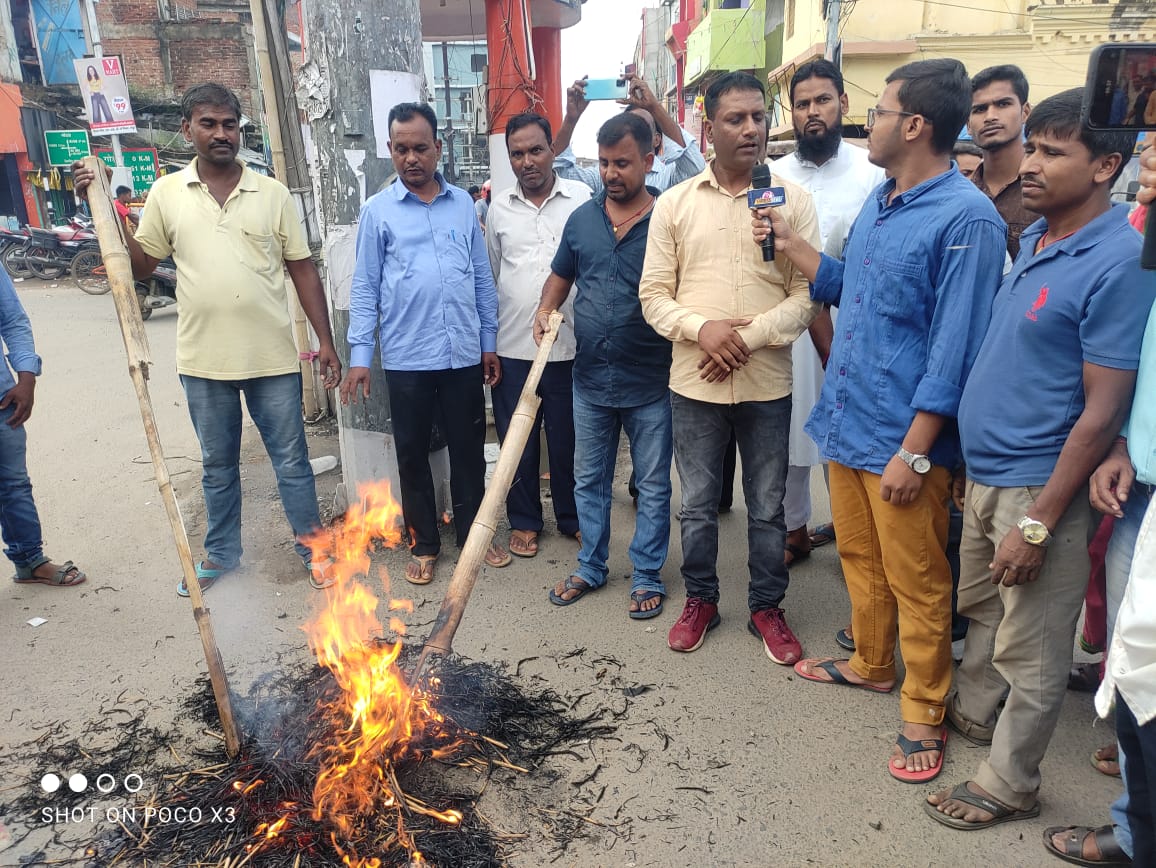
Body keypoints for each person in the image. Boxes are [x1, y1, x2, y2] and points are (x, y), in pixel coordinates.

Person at [759, 58, 1006, 782]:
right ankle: (871, 663)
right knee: (860, 562)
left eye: (883, 110)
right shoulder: (883, 200)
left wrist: (919, 452)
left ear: (917, 124)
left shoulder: (967, 220)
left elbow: (955, 350)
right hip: (848, 424)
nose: (872, 122)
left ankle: (924, 707)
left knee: (920, 578)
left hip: (904, 440)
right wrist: (789, 240)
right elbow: (845, 285)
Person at [926, 88, 1152, 831]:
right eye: (1035, 146)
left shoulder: (1120, 258)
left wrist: (1040, 523)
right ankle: (979, 717)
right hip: (990, 474)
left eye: (1056, 152)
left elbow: (1100, 411)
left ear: (1106, 166)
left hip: (1037, 485)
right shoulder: (1042, 238)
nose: (1031, 163)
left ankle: (1010, 780)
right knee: (987, 609)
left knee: (1036, 646)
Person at [73, 82, 343, 596]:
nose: (221, 133)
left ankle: (315, 549)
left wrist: (325, 341)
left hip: (272, 360)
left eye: (229, 124)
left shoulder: (272, 193)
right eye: (209, 123)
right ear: (187, 128)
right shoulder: (168, 194)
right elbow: (142, 264)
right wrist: (105, 206)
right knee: (218, 467)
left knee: (292, 462)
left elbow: (303, 270)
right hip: (202, 362)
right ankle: (222, 556)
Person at [639, 71, 819, 660]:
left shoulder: (792, 200)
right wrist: (704, 331)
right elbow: (654, 296)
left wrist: (751, 336)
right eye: (736, 119)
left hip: (767, 382)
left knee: (767, 507)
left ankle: (767, 607)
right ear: (708, 127)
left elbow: (805, 294)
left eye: (758, 117)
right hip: (695, 383)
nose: (750, 129)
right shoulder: (674, 204)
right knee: (696, 504)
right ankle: (702, 600)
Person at [341, 101, 508, 585]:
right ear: (390, 151)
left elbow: (480, 278)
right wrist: (359, 358)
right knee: (412, 452)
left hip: (460, 354)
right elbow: (366, 287)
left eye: (420, 148)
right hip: (407, 356)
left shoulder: (463, 204)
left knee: (469, 451)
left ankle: (475, 537)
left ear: (438, 147)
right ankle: (425, 543)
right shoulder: (377, 212)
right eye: (401, 149)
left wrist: (488, 342)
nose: (410, 158)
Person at [536, 112, 672, 619]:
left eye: (623, 163)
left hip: (653, 380)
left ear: (648, 159)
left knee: (654, 485)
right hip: (589, 378)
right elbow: (560, 276)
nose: (612, 173)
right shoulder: (583, 219)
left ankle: (647, 574)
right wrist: (545, 309)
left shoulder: (668, 220)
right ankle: (592, 565)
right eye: (605, 163)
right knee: (587, 479)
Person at [770, 58, 886, 568]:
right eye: (801, 104)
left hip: (850, 327)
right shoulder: (773, 177)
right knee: (789, 431)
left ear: (843, 103)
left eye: (822, 101)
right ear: (790, 113)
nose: (812, 112)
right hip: (786, 326)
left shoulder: (873, 174)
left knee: (846, 437)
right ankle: (794, 529)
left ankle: (853, 536)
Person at [486, 113, 590, 558]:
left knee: (569, 439)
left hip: (569, 348)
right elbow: (492, 275)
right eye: (517, 153)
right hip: (514, 347)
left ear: (553, 149)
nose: (527, 161)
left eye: (535, 150)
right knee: (518, 442)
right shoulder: (498, 209)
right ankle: (525, 521)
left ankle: (571, 517)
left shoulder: (582, 199)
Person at [0, 272, 86, 589]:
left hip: (1, 397)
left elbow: (11, 320)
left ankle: (29, 561)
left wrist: (26, 377)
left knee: (13, 484)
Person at [552, 74, 706, 194]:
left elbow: (695, 167)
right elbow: (560, 173)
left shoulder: (668, 176)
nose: (613, 175)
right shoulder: (603, 176)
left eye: (642, 128)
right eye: (629, 126)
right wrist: (571, 119)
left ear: (657, 139)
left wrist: (654, 106)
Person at [968, 65, 1036, 259]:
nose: (990, 117)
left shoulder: (1047, 189)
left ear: (1025, 112)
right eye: (979, 109)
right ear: (968, 125)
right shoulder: (958, 194)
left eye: (1003, 104)